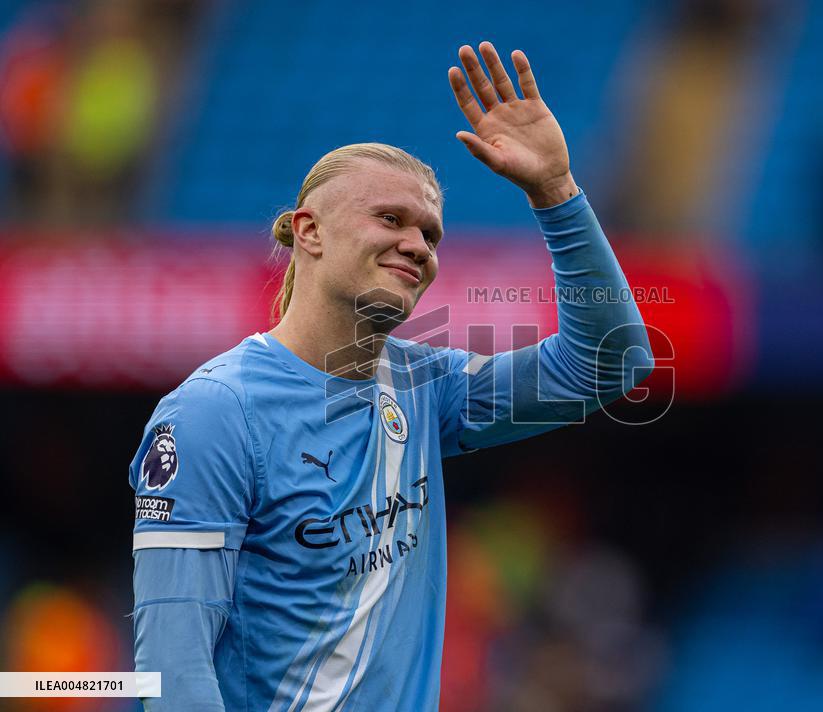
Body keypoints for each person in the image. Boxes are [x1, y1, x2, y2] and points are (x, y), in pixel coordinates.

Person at [129, 42, 654, 711]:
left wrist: (555, 192)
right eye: (392, 219)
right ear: (308, 231)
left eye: (431, 234)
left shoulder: (425, 387)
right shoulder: (213, 414)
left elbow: (611, 364)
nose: (418, 245)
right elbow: (174, 670)